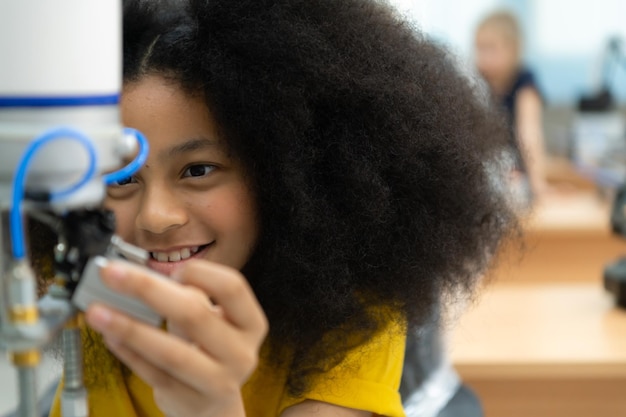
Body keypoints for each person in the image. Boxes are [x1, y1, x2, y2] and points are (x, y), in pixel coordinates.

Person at [39, 1, 517, 416]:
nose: (156, 217)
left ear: (283, 175)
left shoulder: (354, 317)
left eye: (199, 170)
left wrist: (213, 409)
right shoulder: (99, 296)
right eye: (122, 179)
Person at [474, 10, 549, 204]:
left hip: (516, 176)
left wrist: (537, 183)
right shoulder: (476, 83)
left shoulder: (525, 84)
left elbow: (529, 133)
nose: (483, 57)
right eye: (479, 49)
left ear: (514, 50)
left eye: (491, 48)